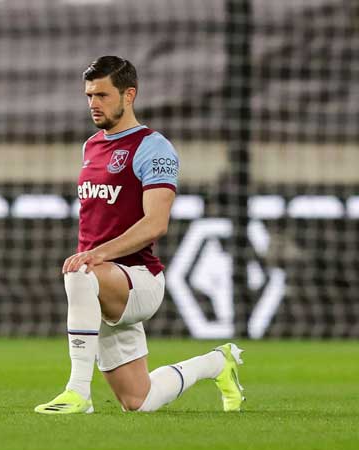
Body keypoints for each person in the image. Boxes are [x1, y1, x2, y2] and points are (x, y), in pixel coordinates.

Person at [35, 57, 245, 414]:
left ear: (129, 95)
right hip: (102, 286)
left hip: (139, 280)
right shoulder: (91, 146)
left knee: (79, 272)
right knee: (139, 400)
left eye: (102, 94)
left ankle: (78, 392)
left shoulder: (153, 147)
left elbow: (155, 223)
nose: (93, 103)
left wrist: (97, 255)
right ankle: (217, 363)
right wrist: (96, 258)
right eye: (89, 95)